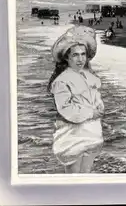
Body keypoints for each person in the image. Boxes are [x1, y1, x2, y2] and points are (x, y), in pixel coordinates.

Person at [47, 26, 104, 173]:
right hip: (73, 135)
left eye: (83, 54)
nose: (80, 59)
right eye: (75, 55)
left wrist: (99, 106)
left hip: (92, 133)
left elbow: (95, 97)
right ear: (67, 57)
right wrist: (91, 113)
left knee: (86, 174)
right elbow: (66, 109)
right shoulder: (62, 81)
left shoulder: (89, 76)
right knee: (73, 177)